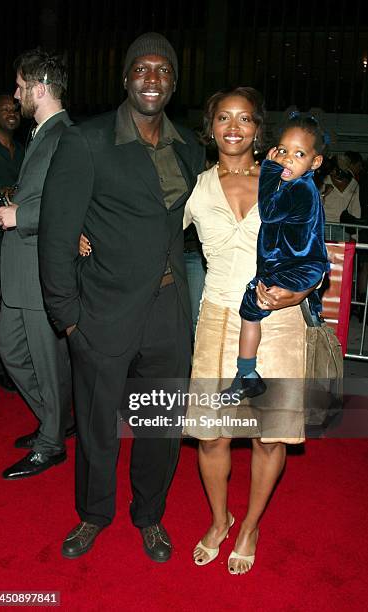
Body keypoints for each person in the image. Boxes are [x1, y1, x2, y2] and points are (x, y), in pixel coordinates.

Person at [38, 32, 205, 561]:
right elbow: (57, 235)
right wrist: (67, 318)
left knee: (160, 427)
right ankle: (93, 514)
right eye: (142, 68)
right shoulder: (86, 142)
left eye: (163, 70)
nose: (152, 79)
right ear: (125, 78)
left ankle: (149, 516)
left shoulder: (189, 147)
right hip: (101, 312)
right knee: (96, 425)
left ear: (174, 82)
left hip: (167, 310)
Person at [183, 87, 315, 575]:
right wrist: (87, 233)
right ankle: (219, 520)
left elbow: (313, 250)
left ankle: (250, 526)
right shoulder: (195, 187)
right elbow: (144, 231)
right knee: (212, 436)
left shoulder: (287, 180)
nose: (233, 126)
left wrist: (298, 294)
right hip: (217, 318)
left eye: (243, 118)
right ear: (211, 126)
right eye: (223, 117)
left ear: (259, 128)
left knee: (268, 437)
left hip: (278, 321)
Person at [0, 49, 74, 479]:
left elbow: (69, 206)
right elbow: (40, 193)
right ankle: (56, 421)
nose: (17, 93)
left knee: (45, 358)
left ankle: (52, 441)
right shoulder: (42, 133)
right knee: (11, 350)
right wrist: (9, 201)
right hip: (22, 271)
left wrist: (19, 215)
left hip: (41, 270)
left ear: (39, 88)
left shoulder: (64, 136)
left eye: (22, 86)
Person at [223, 114, 329, 400]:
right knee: (253, 307)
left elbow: (268, 212)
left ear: (315, 163)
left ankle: (246, 375)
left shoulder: (300, 189)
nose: (287, 159)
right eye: (282, 151)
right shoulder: (296, 187)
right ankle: (247, 375)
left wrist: (269, 169)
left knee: (251, 305)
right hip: (290, 266)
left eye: (299, 154)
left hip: (299, 267)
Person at [0, 93, 24, 401]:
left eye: (14, 108)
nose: (11, 112)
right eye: (4, 109)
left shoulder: (25, 151)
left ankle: (1, 370)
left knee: (5, 306)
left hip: (13, 242)